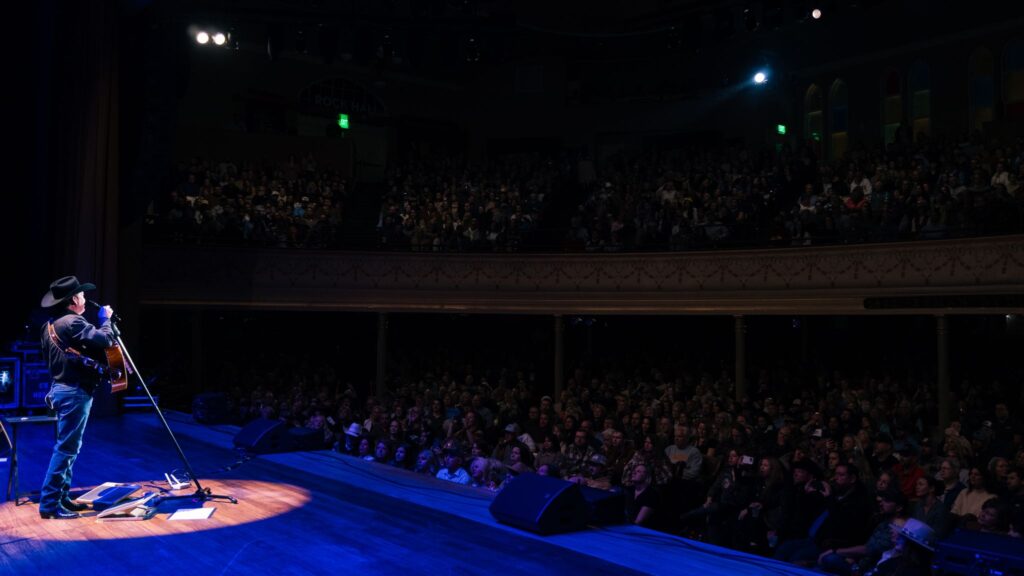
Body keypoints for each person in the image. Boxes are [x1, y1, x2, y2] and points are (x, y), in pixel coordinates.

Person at [38, 276, 115, 520]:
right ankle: (50, 505)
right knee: (66, 449)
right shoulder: (73, 322)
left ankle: (62, 498)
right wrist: (106, 320)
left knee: (69, 446)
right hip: (73, 391)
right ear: (74, 299)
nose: (84, 299)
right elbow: (106, 340)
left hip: (60, 389)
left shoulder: (50, 325)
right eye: (81, 295)